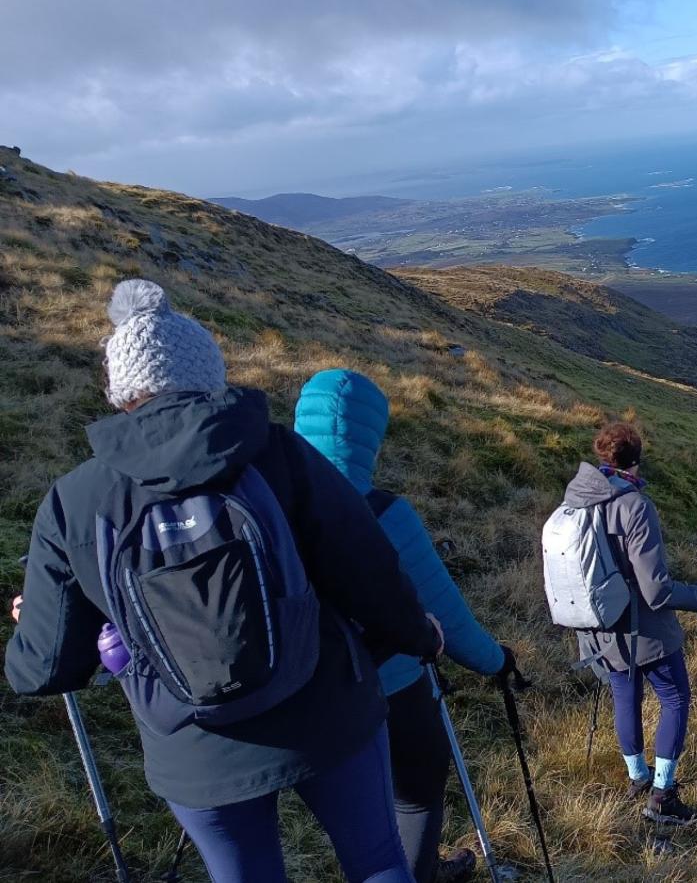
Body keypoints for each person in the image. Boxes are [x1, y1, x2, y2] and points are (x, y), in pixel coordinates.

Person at [5, 280, 442, 883]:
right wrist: (421, 636)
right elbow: (369, 569)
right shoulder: (278, 453)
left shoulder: (74, 502)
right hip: (325, 708)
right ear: (208, 375)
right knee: (376, 863)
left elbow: (45, 669)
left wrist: (34, 624)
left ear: (120, 392)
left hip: (193, 746)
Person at [294, 370, 511, 880]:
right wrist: (497, 660)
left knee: (353, 808)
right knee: (414, 793)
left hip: (297, 691)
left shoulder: (267, 504)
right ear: (371, 434)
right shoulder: (385, 513)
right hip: (388, 685)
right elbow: (449, 619)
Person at [559, 421, 697, 822]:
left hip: (598, 626)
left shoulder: (576, 500)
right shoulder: (635, 505)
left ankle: (638, 779)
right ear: (636, 461)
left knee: (624, 697)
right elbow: (656, 590)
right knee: (675, 698)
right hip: (644, 629)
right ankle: (663, 796)